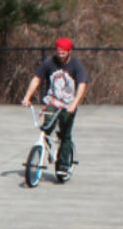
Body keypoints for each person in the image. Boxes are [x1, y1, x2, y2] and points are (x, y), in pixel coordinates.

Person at [19, 37, 89, 180]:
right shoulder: (50, 63)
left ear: (70, 51)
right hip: (53, 102)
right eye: (58, 51)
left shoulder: (76, 65)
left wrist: (74, 103)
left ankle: (63, 166)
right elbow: (37, 78)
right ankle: (46, 145)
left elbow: (82, 85)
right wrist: (27, 97)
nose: (60, 54)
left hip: (68, 104)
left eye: (63, 52)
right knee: (46, 127)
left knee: (65, 134)